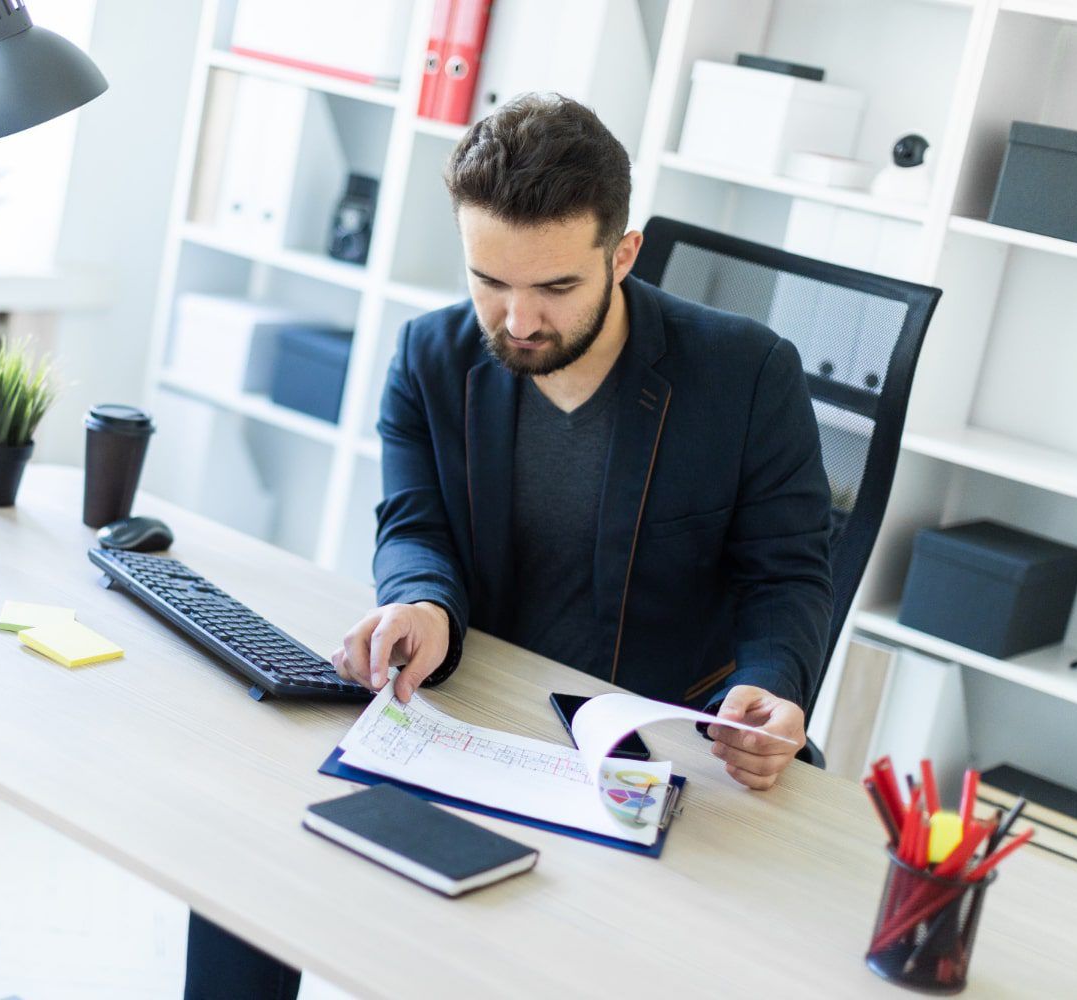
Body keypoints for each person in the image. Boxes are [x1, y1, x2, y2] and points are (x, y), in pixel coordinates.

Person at [183, 93, 833, 1000]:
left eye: (557, 287)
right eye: (489, 279)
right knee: (249, 863)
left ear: (625, 253)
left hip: (654, 746)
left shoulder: (747, 372)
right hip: (480, 722)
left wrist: (771, 680)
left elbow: (788, 572)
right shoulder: (428, 357)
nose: (518, 319)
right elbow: (416, 524)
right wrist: (421, 603)